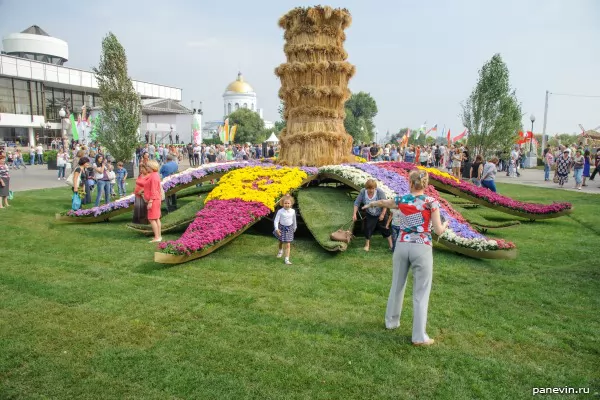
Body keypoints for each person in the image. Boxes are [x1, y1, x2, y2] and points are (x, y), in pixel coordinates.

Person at [362, 170, 448, 346]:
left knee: (397, 285)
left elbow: (384, 202)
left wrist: (370, 205)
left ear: (410, 183)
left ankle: (391, 322)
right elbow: (439, 230)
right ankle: (418, 336)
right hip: (421, 248)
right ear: (425, 184)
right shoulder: (431, 202)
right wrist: (446, 223)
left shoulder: (402, 200)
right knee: (421, 292)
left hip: (401, 246)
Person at [353, 179, 392, 251]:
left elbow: (385, 204)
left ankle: (391, 245)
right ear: (366, 188)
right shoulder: (363, 192)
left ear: (375, 188)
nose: (371, 190)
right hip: (370, 214)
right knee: (368, 228)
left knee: (385, 228)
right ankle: (367, 245)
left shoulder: (379, 192)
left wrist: (383, 214)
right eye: (369, 188)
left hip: (380, 212)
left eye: (373, 188)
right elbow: (356, 203)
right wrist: (354, 214)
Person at [273, 194, 297, 265]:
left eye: (288, 203)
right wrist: (276, 229)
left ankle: (287, 259)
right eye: (285, 203)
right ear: (282, 204)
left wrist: (294, 227)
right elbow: (276, 220)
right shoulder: (280, 211)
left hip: (289, 229)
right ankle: (280, 251)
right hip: (281, 228)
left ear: (291, 203)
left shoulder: (293, 211)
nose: (287, 205)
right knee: (281, 241)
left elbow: (294, 220)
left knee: (288, 244)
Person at [143, 160, 162, 242]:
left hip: (154, 199)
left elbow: (153, 190)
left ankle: (157, 237)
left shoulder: (153, 176)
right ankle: (159, 236)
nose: (146, 167)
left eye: (147, 166)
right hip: (157, 199)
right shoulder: (155, 175)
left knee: (152, 219)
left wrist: (150, 202)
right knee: (156, 218)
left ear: (151, 167)